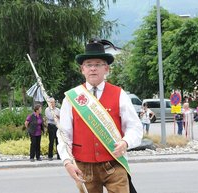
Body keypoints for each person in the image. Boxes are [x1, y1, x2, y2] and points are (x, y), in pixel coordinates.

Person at [57, 39, 143, 193]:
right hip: (84, 167)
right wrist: (67, 162)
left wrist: (126, 142)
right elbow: (64, 134)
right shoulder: (71, 98)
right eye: (89, 64)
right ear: (82, 69)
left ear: (106, 69)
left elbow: (134, 127)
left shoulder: (119, 94)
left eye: (98, 64)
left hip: (114, 164)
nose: (93, 69)